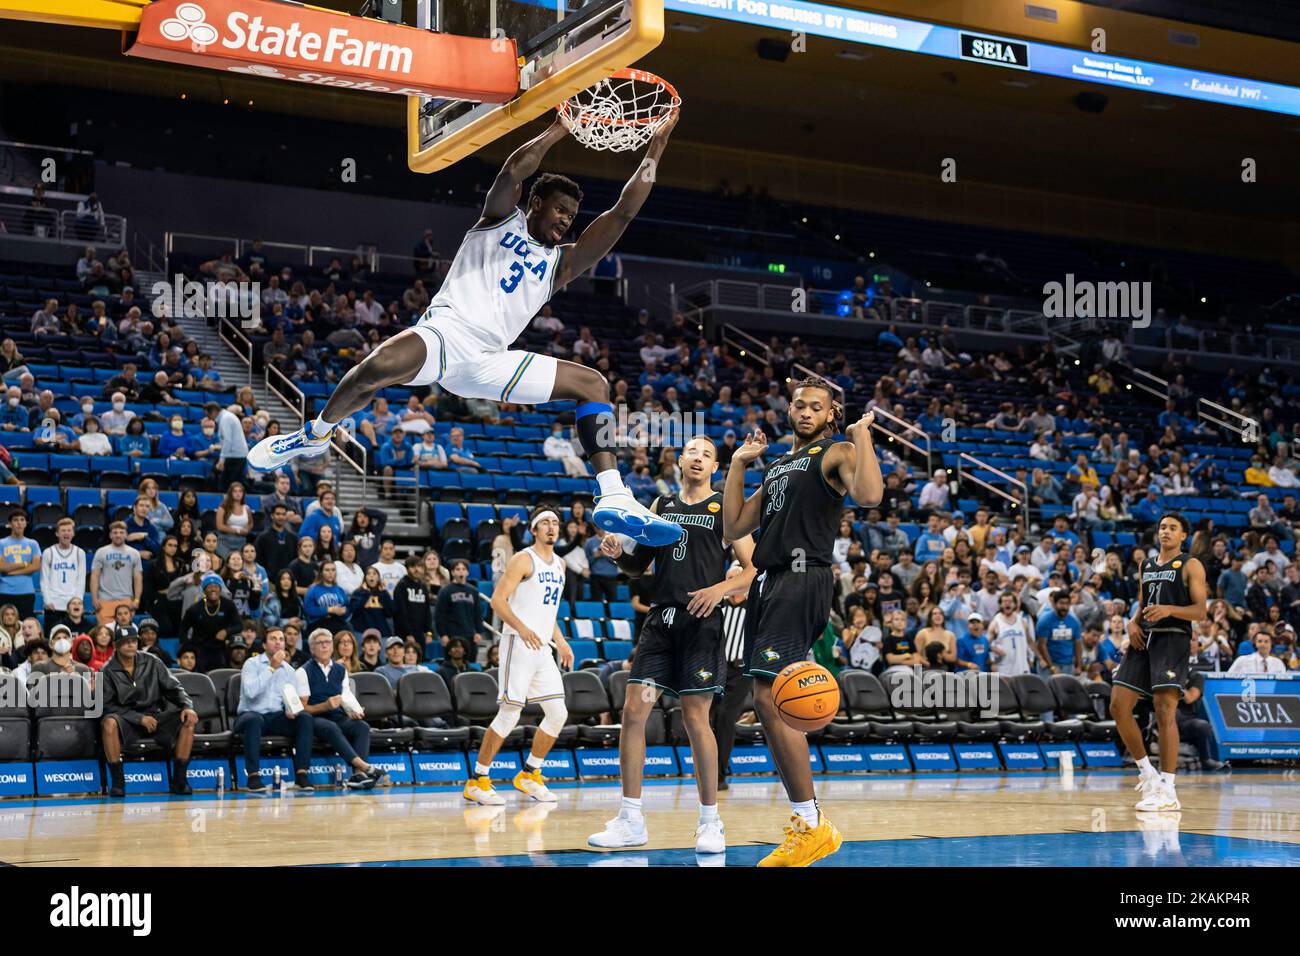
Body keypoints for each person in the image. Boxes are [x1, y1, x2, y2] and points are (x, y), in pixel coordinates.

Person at [246, 112, 685, 549]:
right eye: (559, 209)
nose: (567, 219)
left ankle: (613, 493)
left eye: (572, 215)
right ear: (535, 204)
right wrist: (559, 128)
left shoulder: (562, 264)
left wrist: (657, 145)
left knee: (593, 384)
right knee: (375, 369)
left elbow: (623, 212)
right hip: (446, 333)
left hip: (491, 359)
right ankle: (315, 435)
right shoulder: (498, 219)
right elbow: (515, 169)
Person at [720, 378, 882, 867]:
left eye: (817, 406)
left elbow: (871, 495)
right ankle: (808, 821)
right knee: (766, 699)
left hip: (802, 576)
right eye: (800, 404)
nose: (806, 411)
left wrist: (860, 435)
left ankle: (812, 824)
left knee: (770, 696)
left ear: (831, 415)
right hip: (768, 582)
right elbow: (733, 528)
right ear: (789, 409)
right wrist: (735, 466)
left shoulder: (834, 451)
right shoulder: (775, 466)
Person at [591, 437, 756, 852]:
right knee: (633, 710)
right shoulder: (661, 507)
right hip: (660, 624)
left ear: (716, 467)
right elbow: (637, 567)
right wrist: (617, 553)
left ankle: (709, 822)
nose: (698, 458)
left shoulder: (723, 508)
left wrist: (719, 588)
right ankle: (630, 819)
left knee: (695, 718)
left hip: (700, 626)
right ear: (679, 461)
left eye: (706, 454)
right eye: (692, 452)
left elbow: (753, 569)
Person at [465, 509, 574, 806]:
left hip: (542, 648)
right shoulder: (522, 559)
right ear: (534, 530)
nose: (552, 528)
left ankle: (529, 774)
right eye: (546, 523)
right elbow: (499, 601)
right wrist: (523, 629)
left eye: (555, 523)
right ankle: (477, 780)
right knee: (510, 713)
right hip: (517, 643)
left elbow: (547, 612)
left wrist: (561, 641)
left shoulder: (561, 564)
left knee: (557, 713)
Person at [1111, 513, 1208, 813]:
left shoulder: (1190, 564)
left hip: (1173, 639)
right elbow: (1143, 604)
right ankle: (1147, 774)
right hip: (1144, 639)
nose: (1166, 531)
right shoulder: (1147, 565)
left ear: (1183, 536)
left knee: (1164, 709)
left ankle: (1168, 787)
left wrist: (1169, 609)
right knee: (1118, 704)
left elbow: (1200, 611)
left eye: (1173, 528)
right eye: (1163, 527)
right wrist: (1131, 623)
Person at [100, 628, 199, 797]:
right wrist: (138, 718)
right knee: (108, 723)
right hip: (126, 719)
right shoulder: (107, 670)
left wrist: (187, 705)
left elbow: (175, 688)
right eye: (125, 641)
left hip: (155, 715)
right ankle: (117, 782)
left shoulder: (152, 661)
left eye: (133, 640)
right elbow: (106, 705)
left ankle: (179, 780)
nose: (130, 644)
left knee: (188, 719)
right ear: (116, 645)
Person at [294, 627, 387, 789]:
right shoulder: (303, 671)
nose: (324, 646)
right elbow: (302, 708)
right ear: (311, 648)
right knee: (331, 727)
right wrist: (325, 705)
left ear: (332, 647)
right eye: (319, 643)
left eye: (327, 642)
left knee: (362, 727)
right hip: (315, 717)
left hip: (336, 715)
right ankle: (364, 766)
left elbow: (346, 695)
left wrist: (355, 710)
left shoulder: (340, 670)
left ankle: (358, 774)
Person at [234, 625, 316, 792]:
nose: (278, 643)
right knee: (254, 720)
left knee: (305, 718)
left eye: (281, 639)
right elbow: (250, 693)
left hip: (276, 717)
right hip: (249, 715)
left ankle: (301, 774)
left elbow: (290, 698)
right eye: (273, 639)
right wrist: (271, 668)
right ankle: (253, 777)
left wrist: (291, 709)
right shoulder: (252, 664)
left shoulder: (289, 670)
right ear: (264, 645)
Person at [179, 573, 242, 672]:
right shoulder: (195, 609)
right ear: (204, 590)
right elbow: (183, 631)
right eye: (209, 587)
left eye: (216, 586)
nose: (213, 589)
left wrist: (226, 631)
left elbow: (239, 625)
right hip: (200, 650)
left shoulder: (228, 605)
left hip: (220, 649)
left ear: (220, 589)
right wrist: (190, 648)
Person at [90, 522, 143, 626]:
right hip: (105, 600)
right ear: (110, 535)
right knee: (105, 635)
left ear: (126, 535)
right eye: (115, 532)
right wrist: (94, 598)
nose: (118, 535)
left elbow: (138, 578)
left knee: (125, 635)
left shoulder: (134, 553)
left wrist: (137, 599)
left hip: (126, 600)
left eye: (121, 532)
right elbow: (94, 576)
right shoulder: (101, 552)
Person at [40, 517, 86, 634]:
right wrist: (47, 600)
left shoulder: (79, 553)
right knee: (52, 637)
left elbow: (81, 579)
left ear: (73, 533)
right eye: (63, 530)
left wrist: (78, 601)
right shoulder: (48, 552)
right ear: (57, 533)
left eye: (69, 530)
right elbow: (44, 579)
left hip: (72, 603)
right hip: (53, 605)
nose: (66, 533)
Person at [0, 510, 40, 620]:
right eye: (15, 520)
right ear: (10, 523)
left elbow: (36, 566)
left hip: (26, 592)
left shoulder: (33, 543)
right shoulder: (2, 543)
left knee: (25, 626)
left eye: (22, 520)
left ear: (26, 523)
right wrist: (25, 563)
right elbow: (1, 567)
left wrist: (11, 571)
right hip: (5, 591)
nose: (19, 523)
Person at [1036, 589, 1083, 676]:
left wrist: (1079, 666)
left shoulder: (1074, 621)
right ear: (1054, 604)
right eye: (1061, 603)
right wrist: (1052, 667)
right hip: (1049, 665)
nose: (1064, 607)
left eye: (1067, 604)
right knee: (1048, 689)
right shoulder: (1045, 620)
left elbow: (1078, 644)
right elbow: (1042, 645)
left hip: (1068, 665)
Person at [206, 402, 249, 491]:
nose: (208, 418)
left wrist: (222, 460)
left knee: (227, 486)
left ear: (214, 412)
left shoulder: (225, 419)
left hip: (235, 457)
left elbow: (227, 440)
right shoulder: (226, 417)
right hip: (236, 455)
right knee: (236, 485)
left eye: (208, 415)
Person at [393, 554, 433, 645]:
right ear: (407, 569)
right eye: (412, 566)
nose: (416, 569)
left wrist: (429, 632)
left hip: (420, 634)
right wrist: (408, 633)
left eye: (419, 566)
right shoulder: (401, 586)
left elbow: (427, 611)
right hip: (404, 634)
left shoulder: (423, 587)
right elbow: (400, 612)